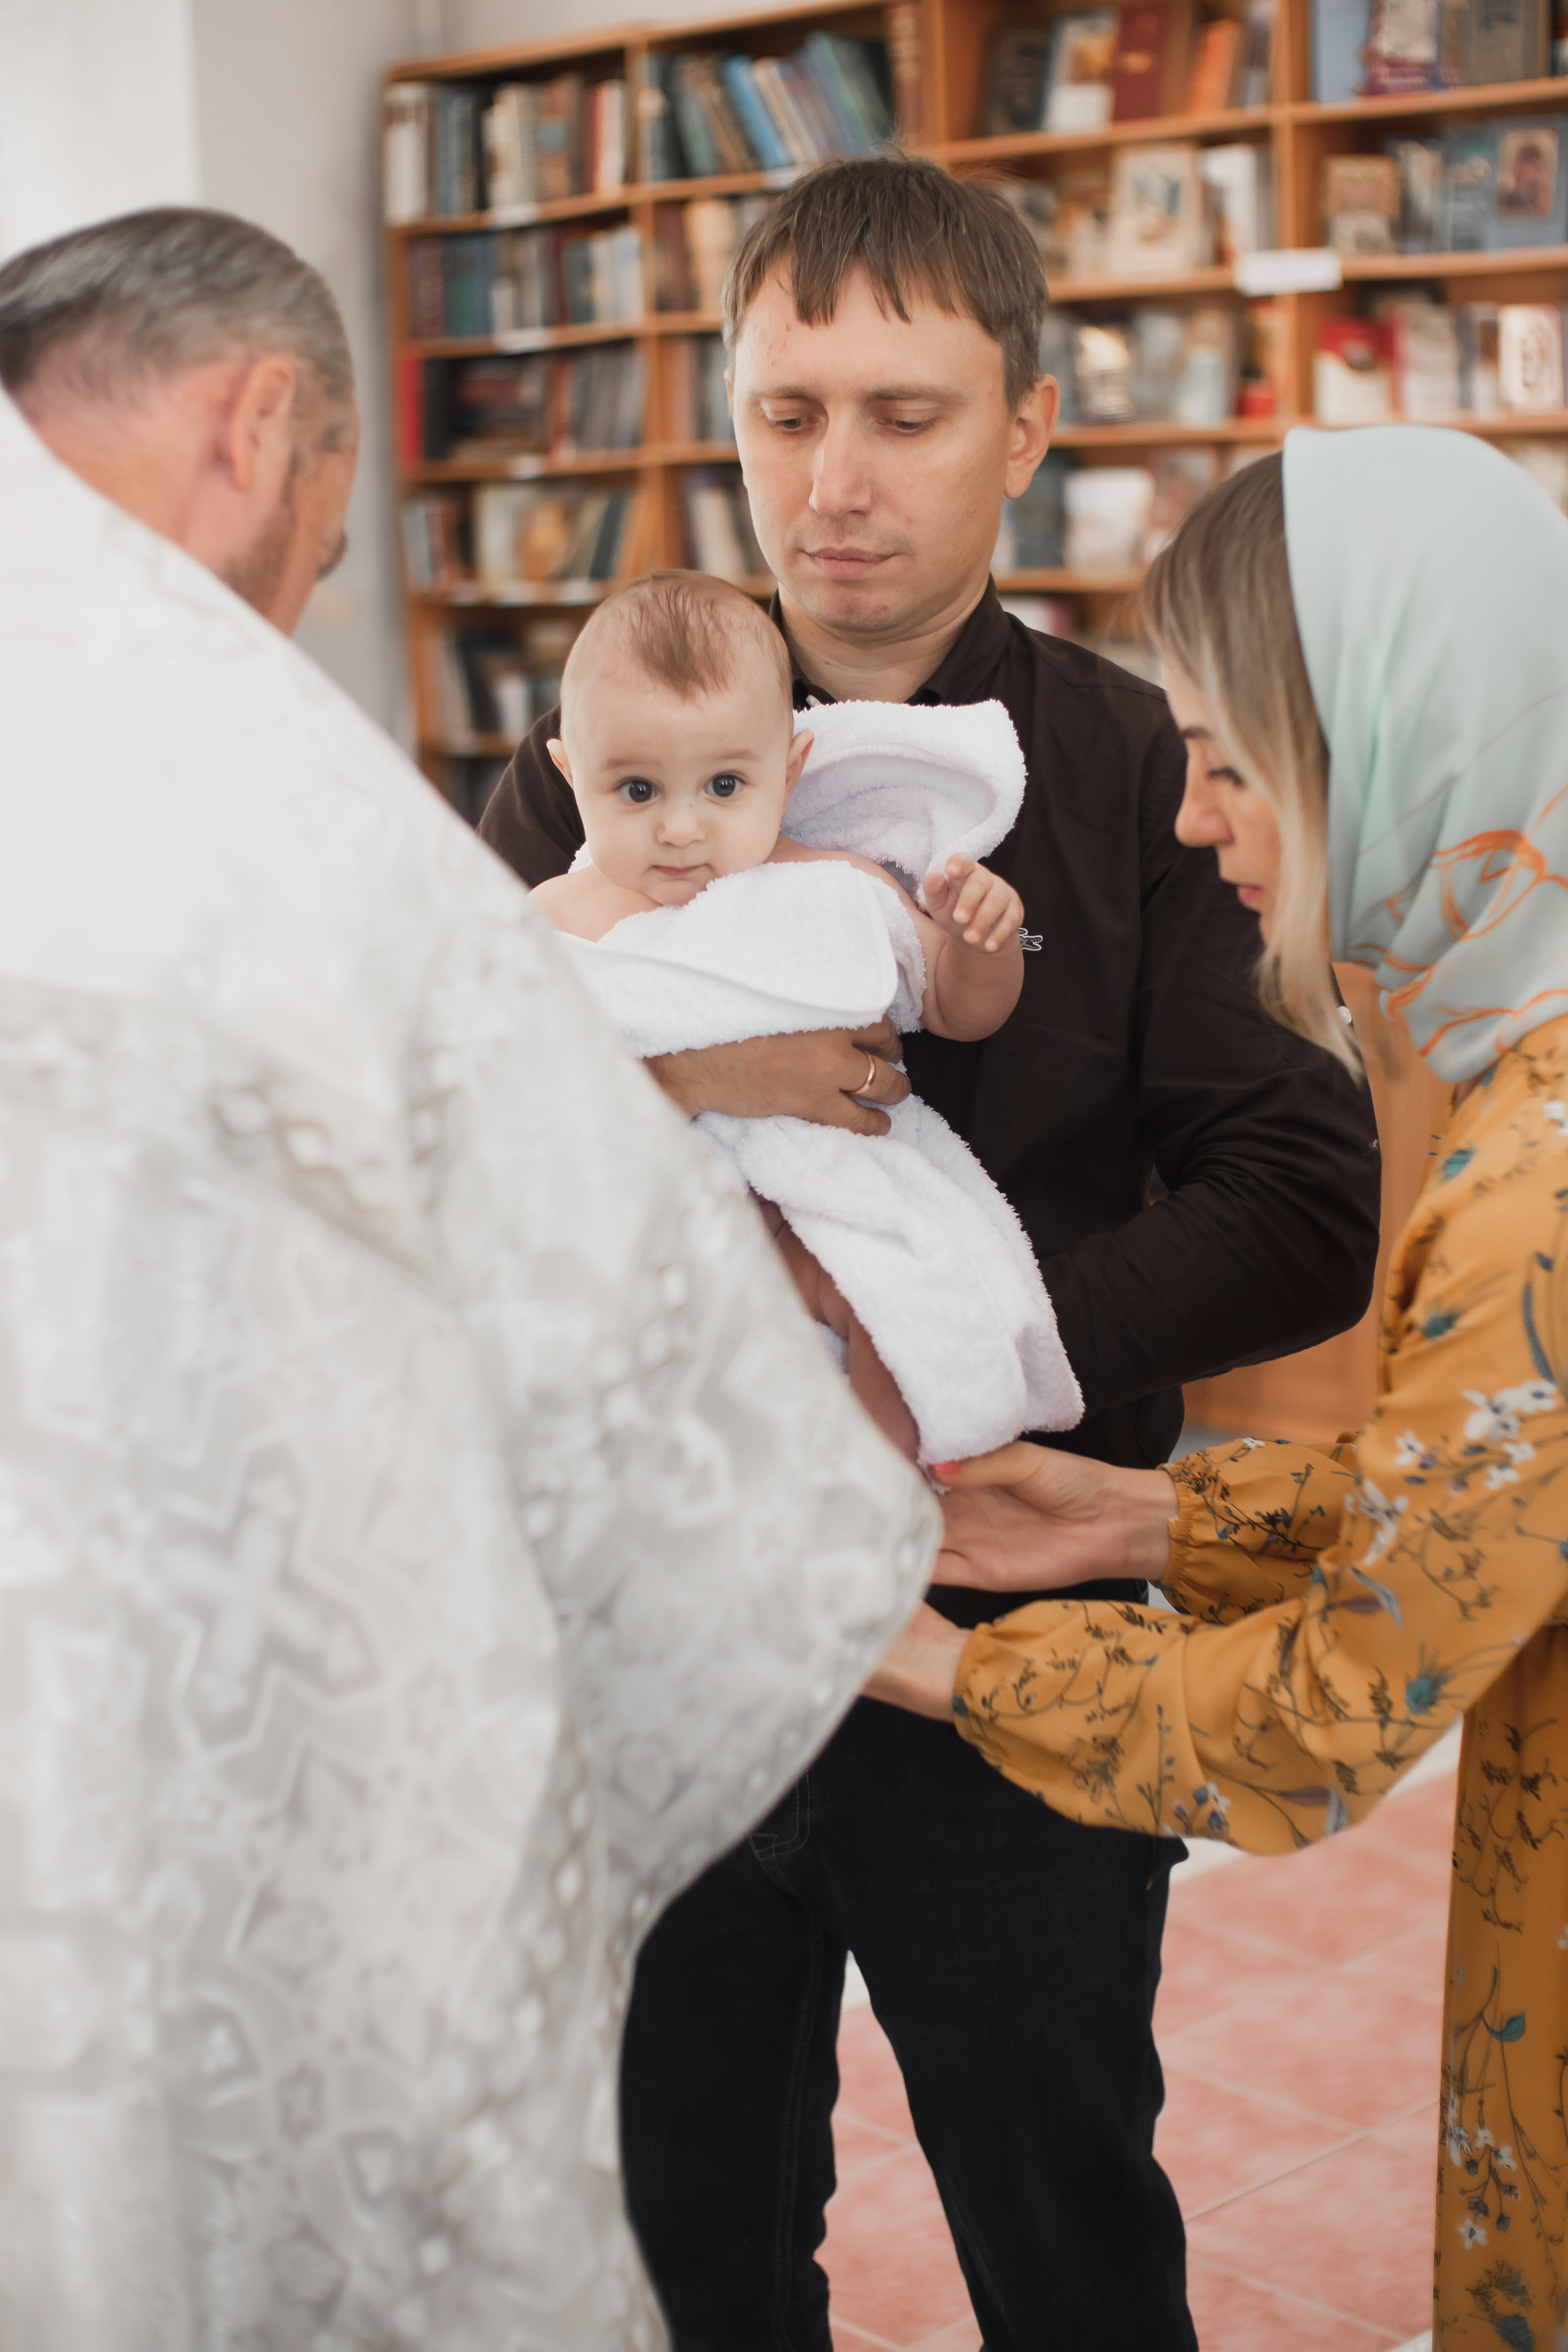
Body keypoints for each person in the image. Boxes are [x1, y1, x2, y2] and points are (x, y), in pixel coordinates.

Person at [0, 205, 934, 2348]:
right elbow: (640, 1389)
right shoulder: (240, 776)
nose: (302, 595)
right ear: (259, 425)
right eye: (324, 536)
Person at [480, 155, 1383, 2351]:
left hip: (1019, 1627)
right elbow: (448, 1150)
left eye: (905, 413)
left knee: (1061, 2222)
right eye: (788, 416)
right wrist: (709, 1094)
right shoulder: (596, 761)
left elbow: (1305, 1202)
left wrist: (951, 1367)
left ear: (1033, 427)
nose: (837, 483)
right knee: (685, 2228)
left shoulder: (1137, 771)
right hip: (668, 1647)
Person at [871, 429, 1568, 2351]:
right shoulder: (1527, 1072)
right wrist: (1141, 1509)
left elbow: (1327, 1720)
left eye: (1241, 761)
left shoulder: (1539, 1184)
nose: (1193, 821)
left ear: (1409, 742)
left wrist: (912, 1655)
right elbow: (1498, 1516)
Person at [532, 567, 1072, 1466]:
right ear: (570, 775)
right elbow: (505, 1092)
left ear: (788, 770)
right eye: (636, 791)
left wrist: (982, 945)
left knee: (898, 1311)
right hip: (645, 1233)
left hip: (817, 1215)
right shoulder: (549, 917)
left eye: (724, 787)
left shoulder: (833, 890)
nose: (679, 829)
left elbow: (955, 1010)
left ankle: (883, 1511)